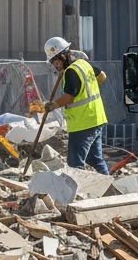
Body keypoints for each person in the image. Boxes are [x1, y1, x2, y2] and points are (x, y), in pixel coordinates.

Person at [40, 36, 109, 174]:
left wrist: (52, 105)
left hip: (83, 123)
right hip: (96, 118)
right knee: (95, 159)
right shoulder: (83, 64)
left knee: (74, 163)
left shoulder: (71, 72)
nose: (55, 65)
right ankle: (109, 188)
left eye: (55, 61)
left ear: (63, 56)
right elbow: (102, 76)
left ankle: (75, 191)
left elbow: (69, 98)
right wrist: (89, 87)